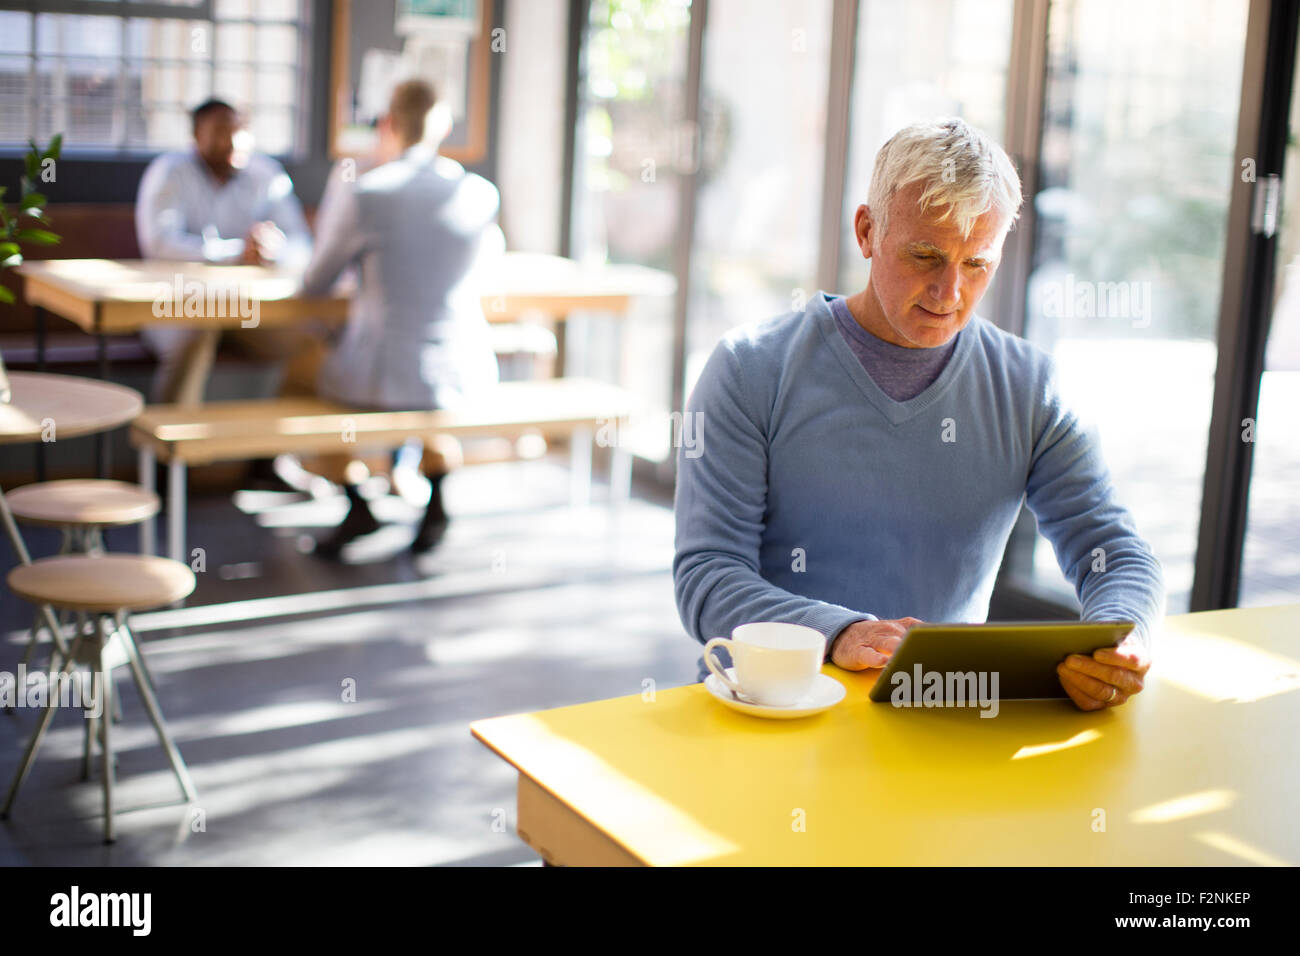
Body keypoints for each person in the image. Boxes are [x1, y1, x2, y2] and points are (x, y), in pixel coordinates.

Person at [673, 118, 1164, 712]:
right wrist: (839, 632)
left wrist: (1122, 637)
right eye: (925, 255)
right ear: (867, 231)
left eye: (976, 264)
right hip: (773, 715)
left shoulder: (1032, 389)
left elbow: (1113, 549)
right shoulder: (750, 368)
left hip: (942, 718)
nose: (948, 292)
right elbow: (707, 575)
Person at [293, 78, 502, 557]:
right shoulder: (479, 193)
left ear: (388, 124)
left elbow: (314, 284)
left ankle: (355, 497)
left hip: (384, 374)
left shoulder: (366, 192)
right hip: (464, 370)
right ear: (443, 126)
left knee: (299, 381)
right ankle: (435, 500)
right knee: (426, 389)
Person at [135, 98, 313, 403]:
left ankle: (277, 444)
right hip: (175, 305)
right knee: (194, 335)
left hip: (248, 310)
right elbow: (160, 244)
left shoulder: (267, 175)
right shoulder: (169, 172)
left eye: (239, 130)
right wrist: (236, 254)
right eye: (219, 131)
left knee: (312, 338)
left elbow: (302, 245)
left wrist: (275, 250)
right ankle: (175, 447)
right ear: (196, 136)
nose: (232, 139)